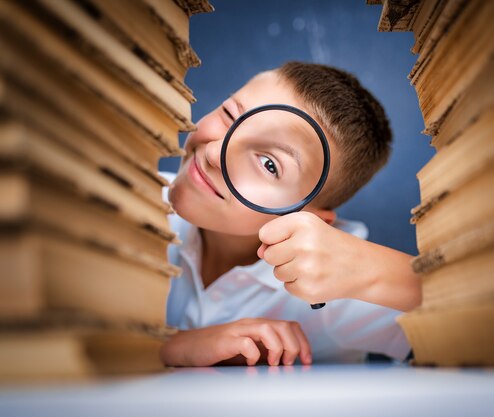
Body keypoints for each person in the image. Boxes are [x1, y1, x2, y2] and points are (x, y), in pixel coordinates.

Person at [160, 62, 421, 367]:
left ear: (311, 219)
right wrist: (175, 345)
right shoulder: (132, 194)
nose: (214, 154)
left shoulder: (336, 292)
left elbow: (487, 320)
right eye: (230, 115)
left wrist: (372, 272)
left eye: (270, 164)